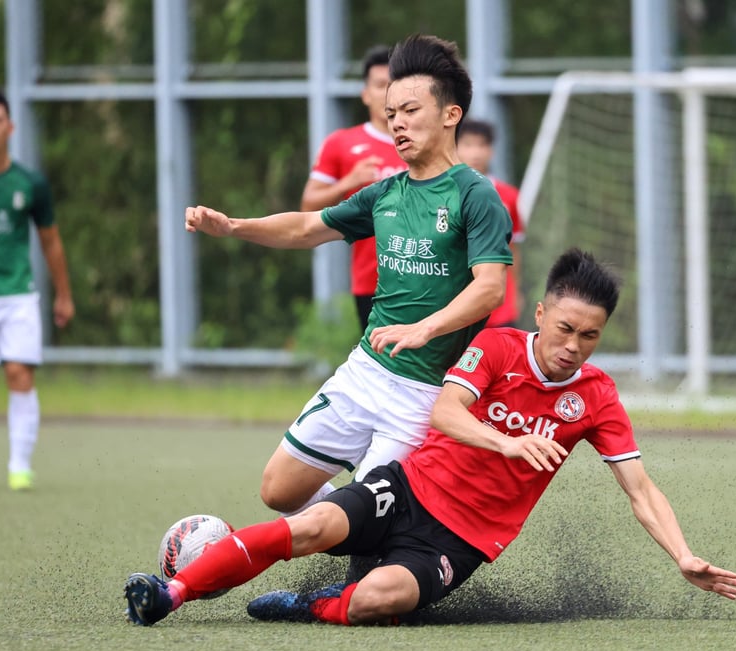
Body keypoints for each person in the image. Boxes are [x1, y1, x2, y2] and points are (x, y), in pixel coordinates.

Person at [123, 248, 736, 627]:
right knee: (306, 527)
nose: (572, 347)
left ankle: (311, 606)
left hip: (467, 538)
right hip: (409, 489)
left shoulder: (598, 396)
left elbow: (640, 489)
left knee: (378, 600)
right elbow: (446, 413)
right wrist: (507, 443)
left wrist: (682, 554)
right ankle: (171, 593)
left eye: (589, 337)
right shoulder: (498, 347)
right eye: (565, 329)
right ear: (540, 315)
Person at [184, 34, 512, 516]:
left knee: (366, 525)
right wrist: (233, 226)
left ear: (450, 114)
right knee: (278, 491)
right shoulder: (385, 193)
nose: (397, 122)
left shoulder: (475, 195)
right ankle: (350, 526)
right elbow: (304, 227)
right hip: (364, 372)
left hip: (424, 393)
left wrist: (425, 328)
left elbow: (489, 288)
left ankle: (358, 553)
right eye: (391, 111)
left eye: (410, 110)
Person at [0, 89, 74, 491]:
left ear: (10, 127)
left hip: (19, 295)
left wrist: (63, 294)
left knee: (20, 374)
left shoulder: (30, 183)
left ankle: (19, 466)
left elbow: (50, 241)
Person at [300, 45, 408, 332]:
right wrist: (349, 182)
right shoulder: (342, 143)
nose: (387, 93)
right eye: (380, 85)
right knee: (380, 366)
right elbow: (308, 205)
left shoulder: (423, 142)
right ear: (365, 93)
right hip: (371, 278)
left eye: (394, 85)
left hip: (428, 275)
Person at [457, 118, 524, 328]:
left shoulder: (509, 196)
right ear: (454, 148)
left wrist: (517, 292)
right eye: (468, 144)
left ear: (491, 150)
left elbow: (513, 248)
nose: (476, 152)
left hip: (499, 303)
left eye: (482, 145)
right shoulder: (443, 193)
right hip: (458, 300)